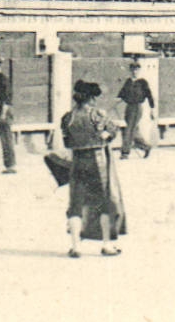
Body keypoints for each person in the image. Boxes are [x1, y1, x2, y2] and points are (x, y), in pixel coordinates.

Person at [61, 80, 122, 258]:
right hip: (97, 161)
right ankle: (107, 245)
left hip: (77, 161)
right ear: (91, 99)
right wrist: (104, 137)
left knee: (76, 204)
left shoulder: (68, 118)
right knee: (104, 202)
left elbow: (67, 142)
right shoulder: (98, 115)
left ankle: (76, 247)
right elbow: (112, 132)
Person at [117, 58, 155, 159]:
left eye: (136, 70)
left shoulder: (143, 82)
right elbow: (121, 94)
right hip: (128, 107)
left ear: (139, 70)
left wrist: (152, 109)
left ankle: (125, 152)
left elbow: (149, 95)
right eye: (133, 70)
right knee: (133, 130)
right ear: (130, 70)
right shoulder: (128, 81)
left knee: (129, 129)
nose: (134, 72)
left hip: (137, 107)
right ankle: (146, 146)